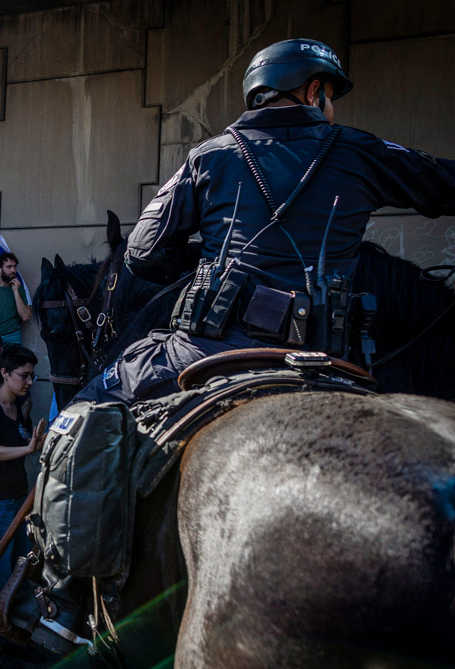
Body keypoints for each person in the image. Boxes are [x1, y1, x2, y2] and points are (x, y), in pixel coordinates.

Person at [77, 37, 455, 406]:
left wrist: (199, 258)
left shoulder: (210, 156)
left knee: (84, 412)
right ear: (314, 91)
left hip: (205, 349)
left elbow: (143, 254)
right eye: (330, 96)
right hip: (324, 357)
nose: (331, 109)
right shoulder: (363, 152)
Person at [0, 345, 46, 669]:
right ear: (4, 373)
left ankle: (11, 638)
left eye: (32, 376)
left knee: (20, 578)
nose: (29, 381)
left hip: (18, 504)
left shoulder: (19, 408)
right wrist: (29, 448)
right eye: (24, 375)